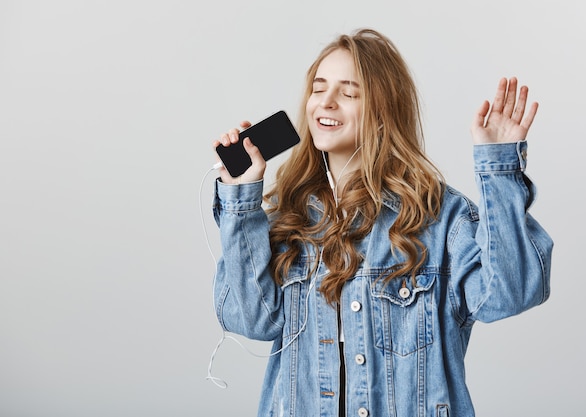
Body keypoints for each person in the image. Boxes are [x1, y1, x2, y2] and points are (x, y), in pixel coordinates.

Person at [211, 28, 553, 417]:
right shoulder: (287, 219)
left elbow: (509, 294)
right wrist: (241, 198)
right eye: (319, 88)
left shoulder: (440, 218)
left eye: (349, 92)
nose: (327, 102)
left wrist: (498, 167)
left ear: (382, 110)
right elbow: (251, 320)